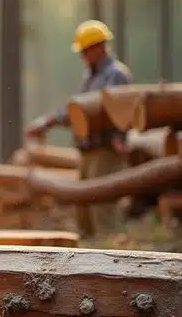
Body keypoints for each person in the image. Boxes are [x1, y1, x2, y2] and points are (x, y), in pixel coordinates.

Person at [24, 20, 132, 237]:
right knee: (83, 214)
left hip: (106, 150)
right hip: (87, 149)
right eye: (82, 52)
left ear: (99, 47)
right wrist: (48, 121)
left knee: (103, 212)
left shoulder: (115, 75)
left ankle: (112, 259)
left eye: (85, 51)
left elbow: (114, 111)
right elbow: (75, 109)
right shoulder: (90, 76)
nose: (83, 56)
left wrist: (119, 136)